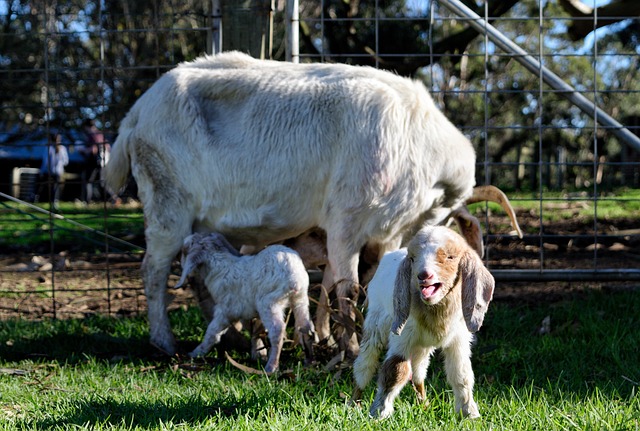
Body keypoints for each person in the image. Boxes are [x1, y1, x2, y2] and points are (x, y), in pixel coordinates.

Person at [80, 119, 112, 203]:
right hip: (102, 161)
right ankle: (112, 198)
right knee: (101, 182)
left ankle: (87, 201)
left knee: (88, 181)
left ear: (87, 127)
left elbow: (93, 149)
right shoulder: (100, 134)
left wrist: (83, 150)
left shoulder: (92, 135)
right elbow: (108, 146)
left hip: (93, 161)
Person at [37, 132, 69, 207]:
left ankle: (51, 201)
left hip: (51, 171)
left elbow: (45, 161)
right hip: (55, 171)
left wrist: (42, 171)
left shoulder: (51, 148)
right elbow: (66, 161)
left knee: (52, 187)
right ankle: (54, 201)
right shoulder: (57, 148)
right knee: (54, 187)